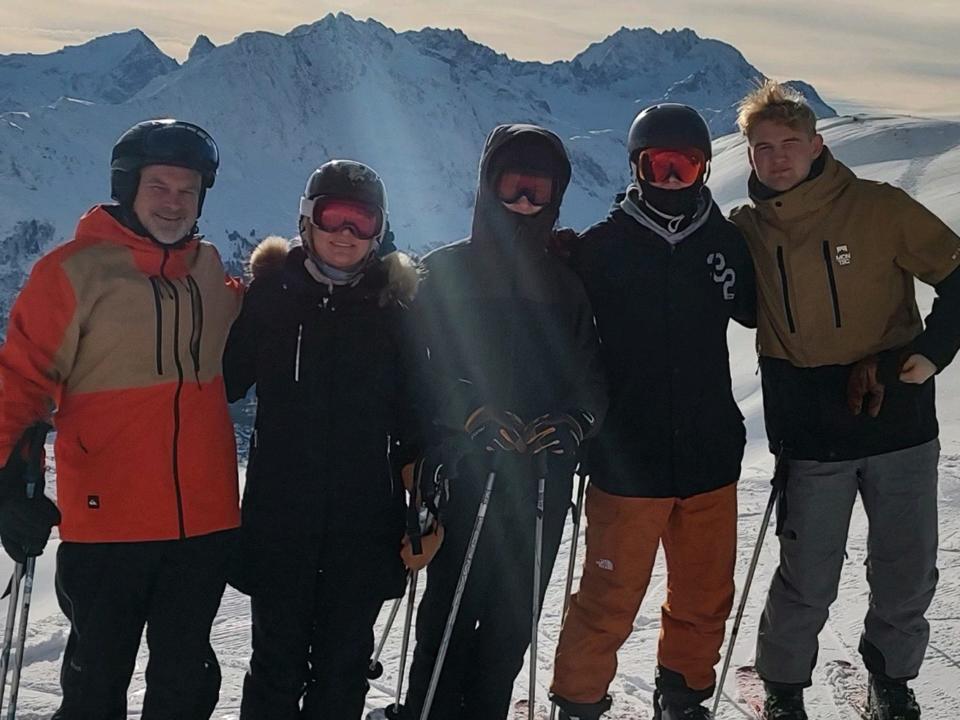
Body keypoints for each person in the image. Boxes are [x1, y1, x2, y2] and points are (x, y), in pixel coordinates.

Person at [730, 80, 960, 720]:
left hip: (898, 417)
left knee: (906, 571)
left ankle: (891, 679)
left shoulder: (880, 208)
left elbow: (958, 276)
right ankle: (783, 690)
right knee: (807, 574)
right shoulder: (744, 230)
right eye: (763, 148)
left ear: (817, 145)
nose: (777, 159)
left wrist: (930, 354)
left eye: (790, 144)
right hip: (810, 427)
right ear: (749, 156)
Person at [0, 118, 242, 718]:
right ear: (127, 187)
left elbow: (264, 312)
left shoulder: (209, 270)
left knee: (186, 682)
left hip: (204, 526)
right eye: (159, 186)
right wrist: (6, 479)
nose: (173, 202)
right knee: (95, 684)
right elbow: (20, 380)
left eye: (187, 190)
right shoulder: (73, 272)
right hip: (109, 525)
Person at [547, 104, 756, 720]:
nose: (669, 178)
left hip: (708, 452)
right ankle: (578, 702)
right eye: (656, 165)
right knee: (608, 596)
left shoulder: (724, 245)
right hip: (626, 457)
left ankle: (683, 694)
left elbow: (766, 309)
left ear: (703, 169)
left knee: (704, 594)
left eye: (683, 166)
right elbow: (547, 317)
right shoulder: (599, 248)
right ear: (636, 169)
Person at [401, 124, 607, 720]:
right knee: (450, 609)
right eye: (513, 187)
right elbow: (420, 366)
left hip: (542, 474)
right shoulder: (443, 272)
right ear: (488, 187)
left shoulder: (565, 283)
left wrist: (576, 421)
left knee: (514, 618)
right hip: (467, 469)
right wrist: (467, 413)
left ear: (556, 196)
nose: (523, 202)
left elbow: (590, 373)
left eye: (536, 191)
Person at [223, 160, 425, 719]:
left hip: (364, 526)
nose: (346, 234)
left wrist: (424, 501)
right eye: (334, 217)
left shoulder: (397, 312)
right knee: (275, 667)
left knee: (343, 669)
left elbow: (419, 418)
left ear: (378, 231)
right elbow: (219, 381)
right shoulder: (270, 299)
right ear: (307, 222)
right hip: (280, 520)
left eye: (361, 221)